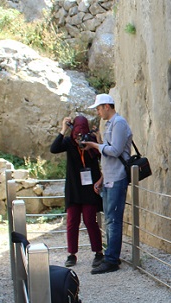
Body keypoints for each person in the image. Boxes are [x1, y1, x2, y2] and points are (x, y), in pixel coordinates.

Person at [82, 94, 132, 274]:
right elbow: (109, 153)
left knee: (113, 220)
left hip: (118, 178)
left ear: (106, 106)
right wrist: (102, 179)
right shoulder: (110, 123)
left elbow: (115, 150)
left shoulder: (119, 123)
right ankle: (110, 255)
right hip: (110, 177)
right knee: (110, 219)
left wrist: (95, 146)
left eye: (98, 108)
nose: (97, 111)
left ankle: (111, 259)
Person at [50, 115, 104, 268]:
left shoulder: (91, 140)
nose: (79, 136)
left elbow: (103, 156)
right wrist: (63, 130)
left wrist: (96, 141)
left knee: (90, 221)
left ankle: (98, 252)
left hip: (89, 189)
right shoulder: (68, 142)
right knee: (72, 222)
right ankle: (71, 253)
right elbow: (54, 148)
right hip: (74, 189)